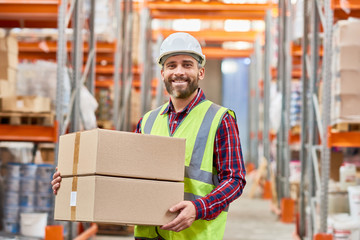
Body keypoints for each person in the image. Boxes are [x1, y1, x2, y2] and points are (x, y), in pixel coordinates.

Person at [52, 32, 246, 240]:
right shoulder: (147, 122)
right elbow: (123, 175)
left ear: (200, 72)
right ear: (162, 73)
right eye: (171, 65)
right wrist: (75, 180)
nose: (178, 72)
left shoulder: (220, 119)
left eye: (187, 65)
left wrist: (198, 208)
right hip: (148, 236)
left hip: (194, 235)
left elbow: (235, 179)